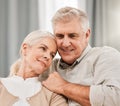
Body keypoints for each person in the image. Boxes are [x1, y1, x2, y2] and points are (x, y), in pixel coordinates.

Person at [42, 6, 120, 106]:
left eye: (72, 36)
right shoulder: (49, 66)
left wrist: (63, 86)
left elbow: (116, 98)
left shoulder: (105, 56)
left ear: (87, 35)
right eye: (60, 36)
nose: (65, 43)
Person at [0, 30, 68, 106]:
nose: (48, 57)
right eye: (43, 48)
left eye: (52, 55)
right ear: (25, 49)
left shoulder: (53, 96)